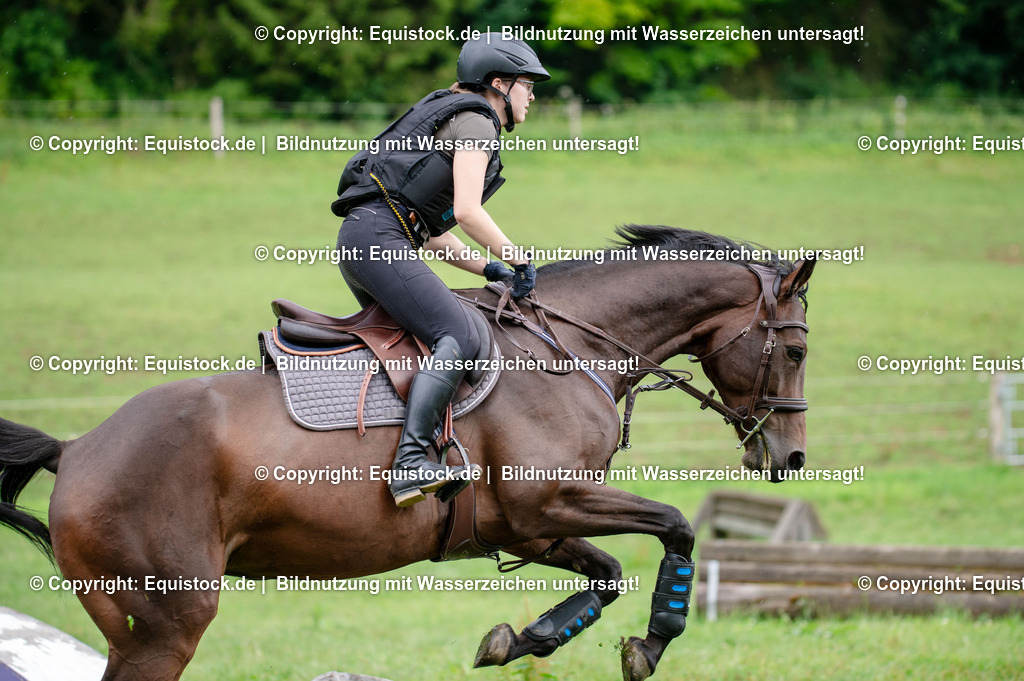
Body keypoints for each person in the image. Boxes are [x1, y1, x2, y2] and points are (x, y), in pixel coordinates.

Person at [330, 34, 549, 507]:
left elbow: (428, 233)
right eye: (527, 85)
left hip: (369, 238)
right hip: (379, 241)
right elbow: (468, 211)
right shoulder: (476, 119)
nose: (532, 95)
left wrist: (489, 267)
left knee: (424, 340)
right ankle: (409, 463)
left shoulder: (453, 114)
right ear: (499, 83)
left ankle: (419, 445)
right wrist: (519, 258)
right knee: (459, 333)